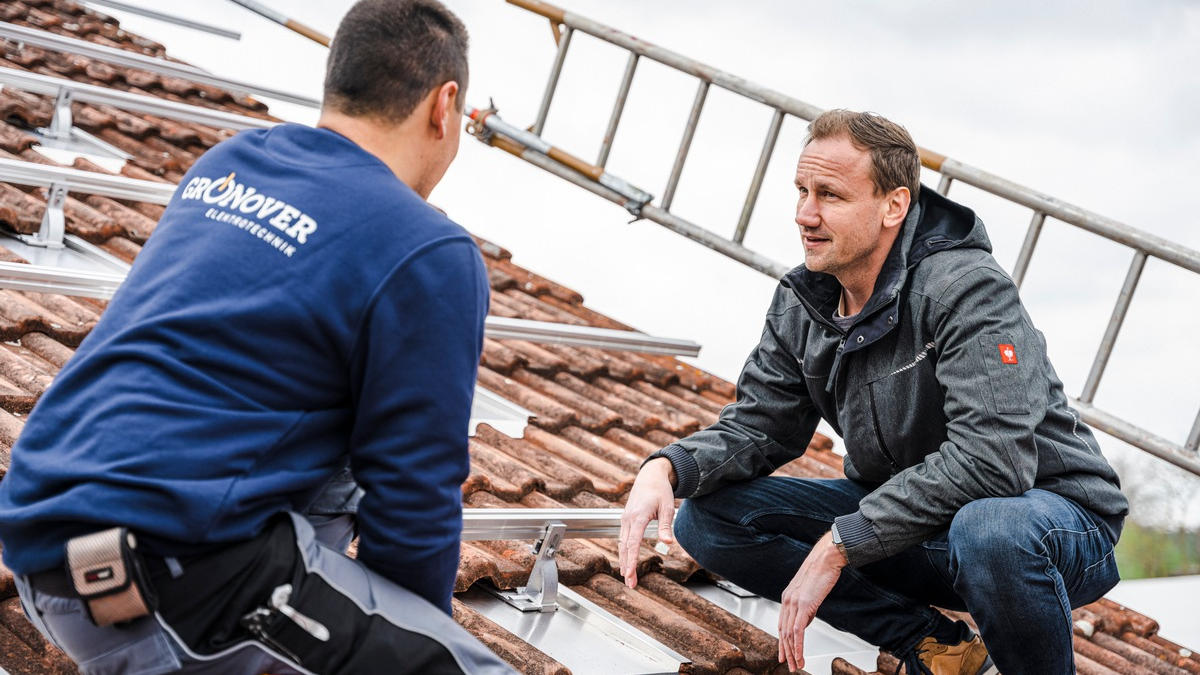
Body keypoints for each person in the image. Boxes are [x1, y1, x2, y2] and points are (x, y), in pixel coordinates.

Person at [0, 1, 517, 674]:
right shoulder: (426, 248)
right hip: (169, 572)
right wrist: (416, 643)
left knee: (333, 449)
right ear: (444, 106)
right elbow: (414, 497)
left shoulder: (231, 163)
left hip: (45, 543)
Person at [619, 110, 1128, 675]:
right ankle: (936, 646)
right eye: (801, 191)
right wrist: (666, 467)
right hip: (915, 524)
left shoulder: (967, 288)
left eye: (830, 195)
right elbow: (760, 426)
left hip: (1048, 527)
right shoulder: (803, 301)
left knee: (989, 528)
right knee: (707, 518)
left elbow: (996, 462)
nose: (804, 214)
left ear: (894, 206)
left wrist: (841, 542)